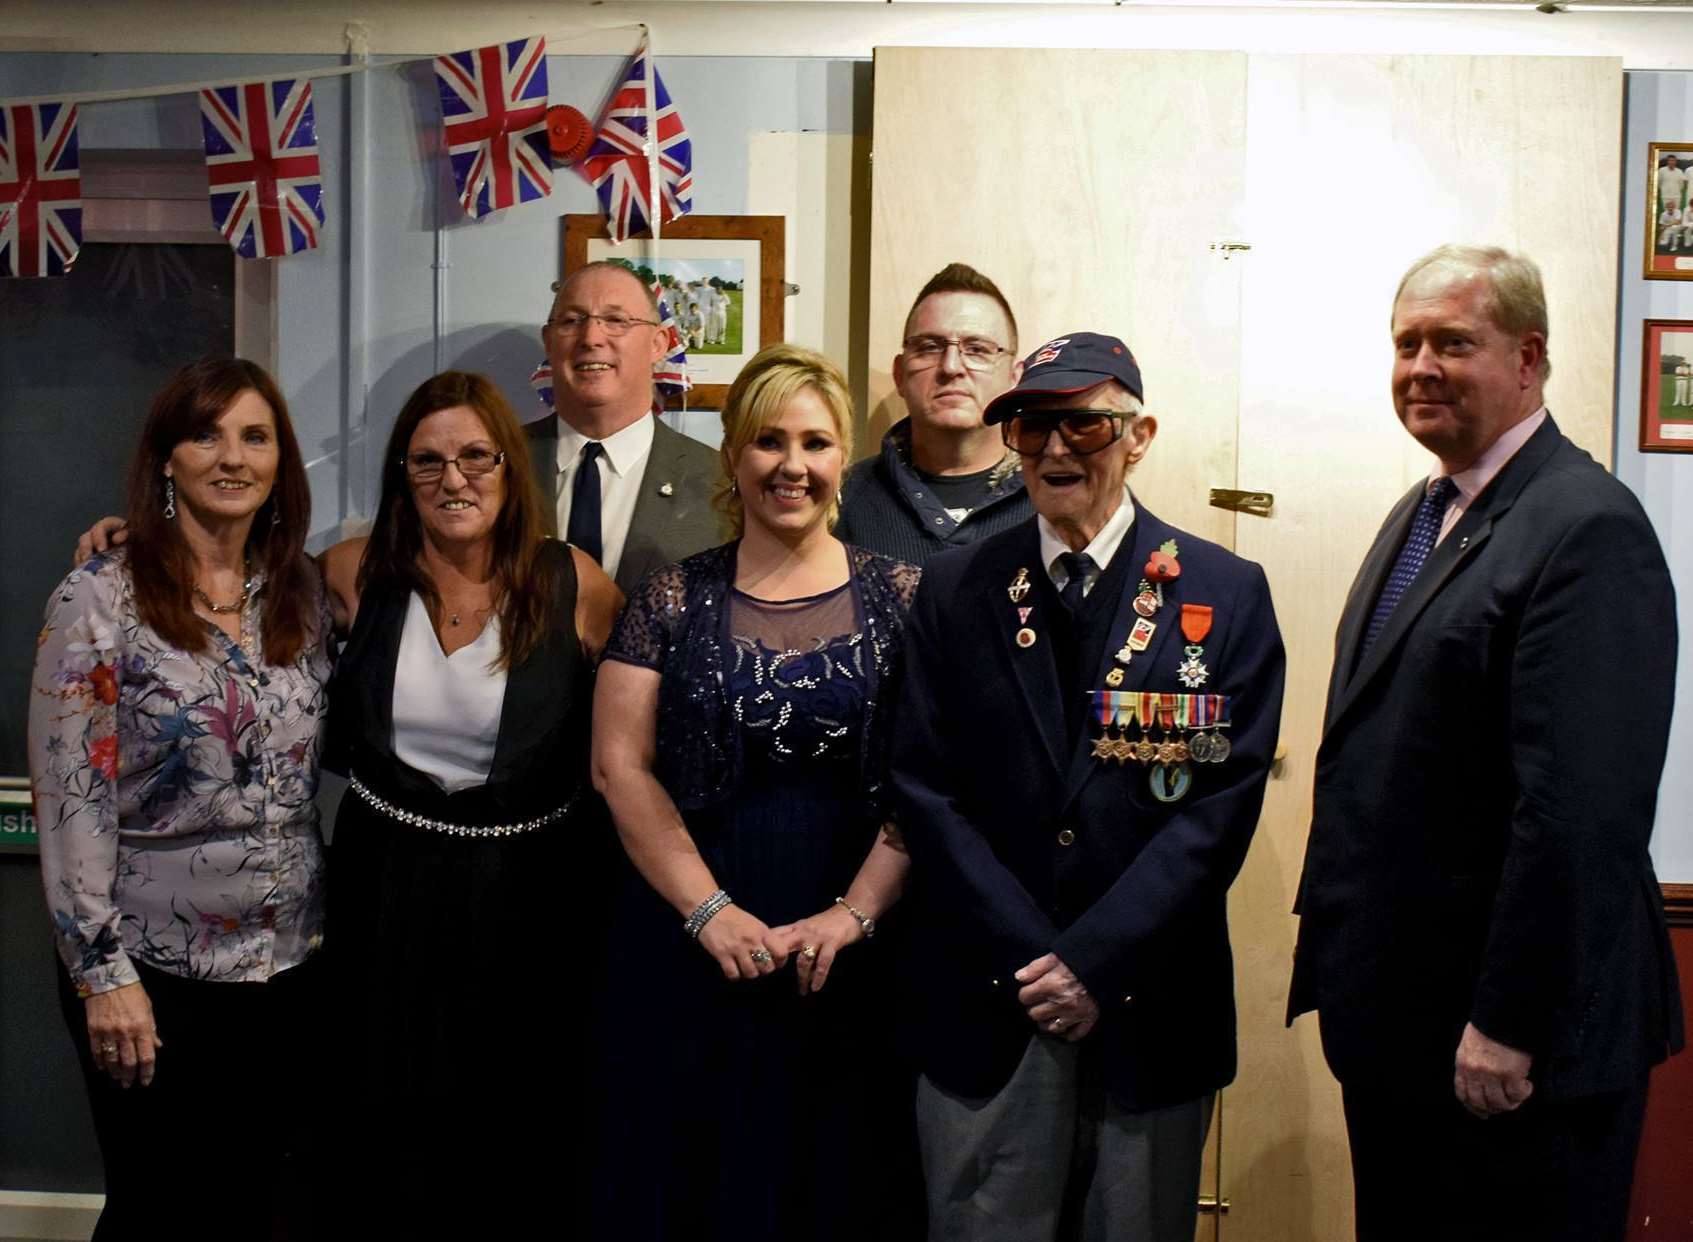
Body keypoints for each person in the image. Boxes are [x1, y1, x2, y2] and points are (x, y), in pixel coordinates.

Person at [1287, 245, 1682, 1242]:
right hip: (1405, 1031)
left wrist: (1509, 1023)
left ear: (1527, 357)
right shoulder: (1425, 511)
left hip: (1512, 1052)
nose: (1419, 366)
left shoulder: (1584, 526)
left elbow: (1577, 813)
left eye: (1452, 343)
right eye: (1405, 343)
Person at [890, 332, 1286, 1241]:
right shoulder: (956, 591)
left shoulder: (1226, 592)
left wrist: (1093, 959)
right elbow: (922, 785)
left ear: (1139, 435)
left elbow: (1218, 807)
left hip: (1148, 1007)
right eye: (1031, 427)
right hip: (990, 999)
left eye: (1085, 425)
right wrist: (1040, 959)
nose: (1055, 449)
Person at [590, 343, 924, 1240]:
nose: (791, 465)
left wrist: (853, 914)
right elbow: (618, 768)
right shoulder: (669, 598)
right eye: (768, 441)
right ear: (734, 456)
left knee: (835, 1181)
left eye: (815, 443)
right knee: (693, 1180)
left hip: (852, 944)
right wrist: (709, 913)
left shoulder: (903, 599)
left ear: (840, 460)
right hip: (691, 936)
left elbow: (933, 777)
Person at [29, 357, 331, 1240]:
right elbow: (69, 794)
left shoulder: (303, 593)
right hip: (152, 973)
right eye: (205, 434)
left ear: (280, 462)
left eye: (254, 436)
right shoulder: (98, 597)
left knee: (260, 1207)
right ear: (167, 458)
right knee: (162, 1209)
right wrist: (101, 977)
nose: (230, 457)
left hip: (289, 966)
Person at [315, 370, 621, 1232]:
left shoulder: (575, 584)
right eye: (427, 462)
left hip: (529, 892)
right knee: (382, 1112)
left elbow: (647, 717)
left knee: (515, 1122)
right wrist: (129, 534)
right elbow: (223, 595)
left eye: (475, 457)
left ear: (508, 465)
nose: (453, 480)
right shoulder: (351, 575)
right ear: (400, 475)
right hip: (383, 888)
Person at [526, 260, 722, 592]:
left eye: (616, 320)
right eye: (573, 321)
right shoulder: (494, 464)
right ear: (549, 341)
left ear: (658, 343)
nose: (591, 337)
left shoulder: (720, 481)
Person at [837, 262, 1033, 564]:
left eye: (977, 349)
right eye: (929, 347)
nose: (951, 367)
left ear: (1014, 377)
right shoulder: (842, 498)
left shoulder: (1053, 494)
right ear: (900, 374)